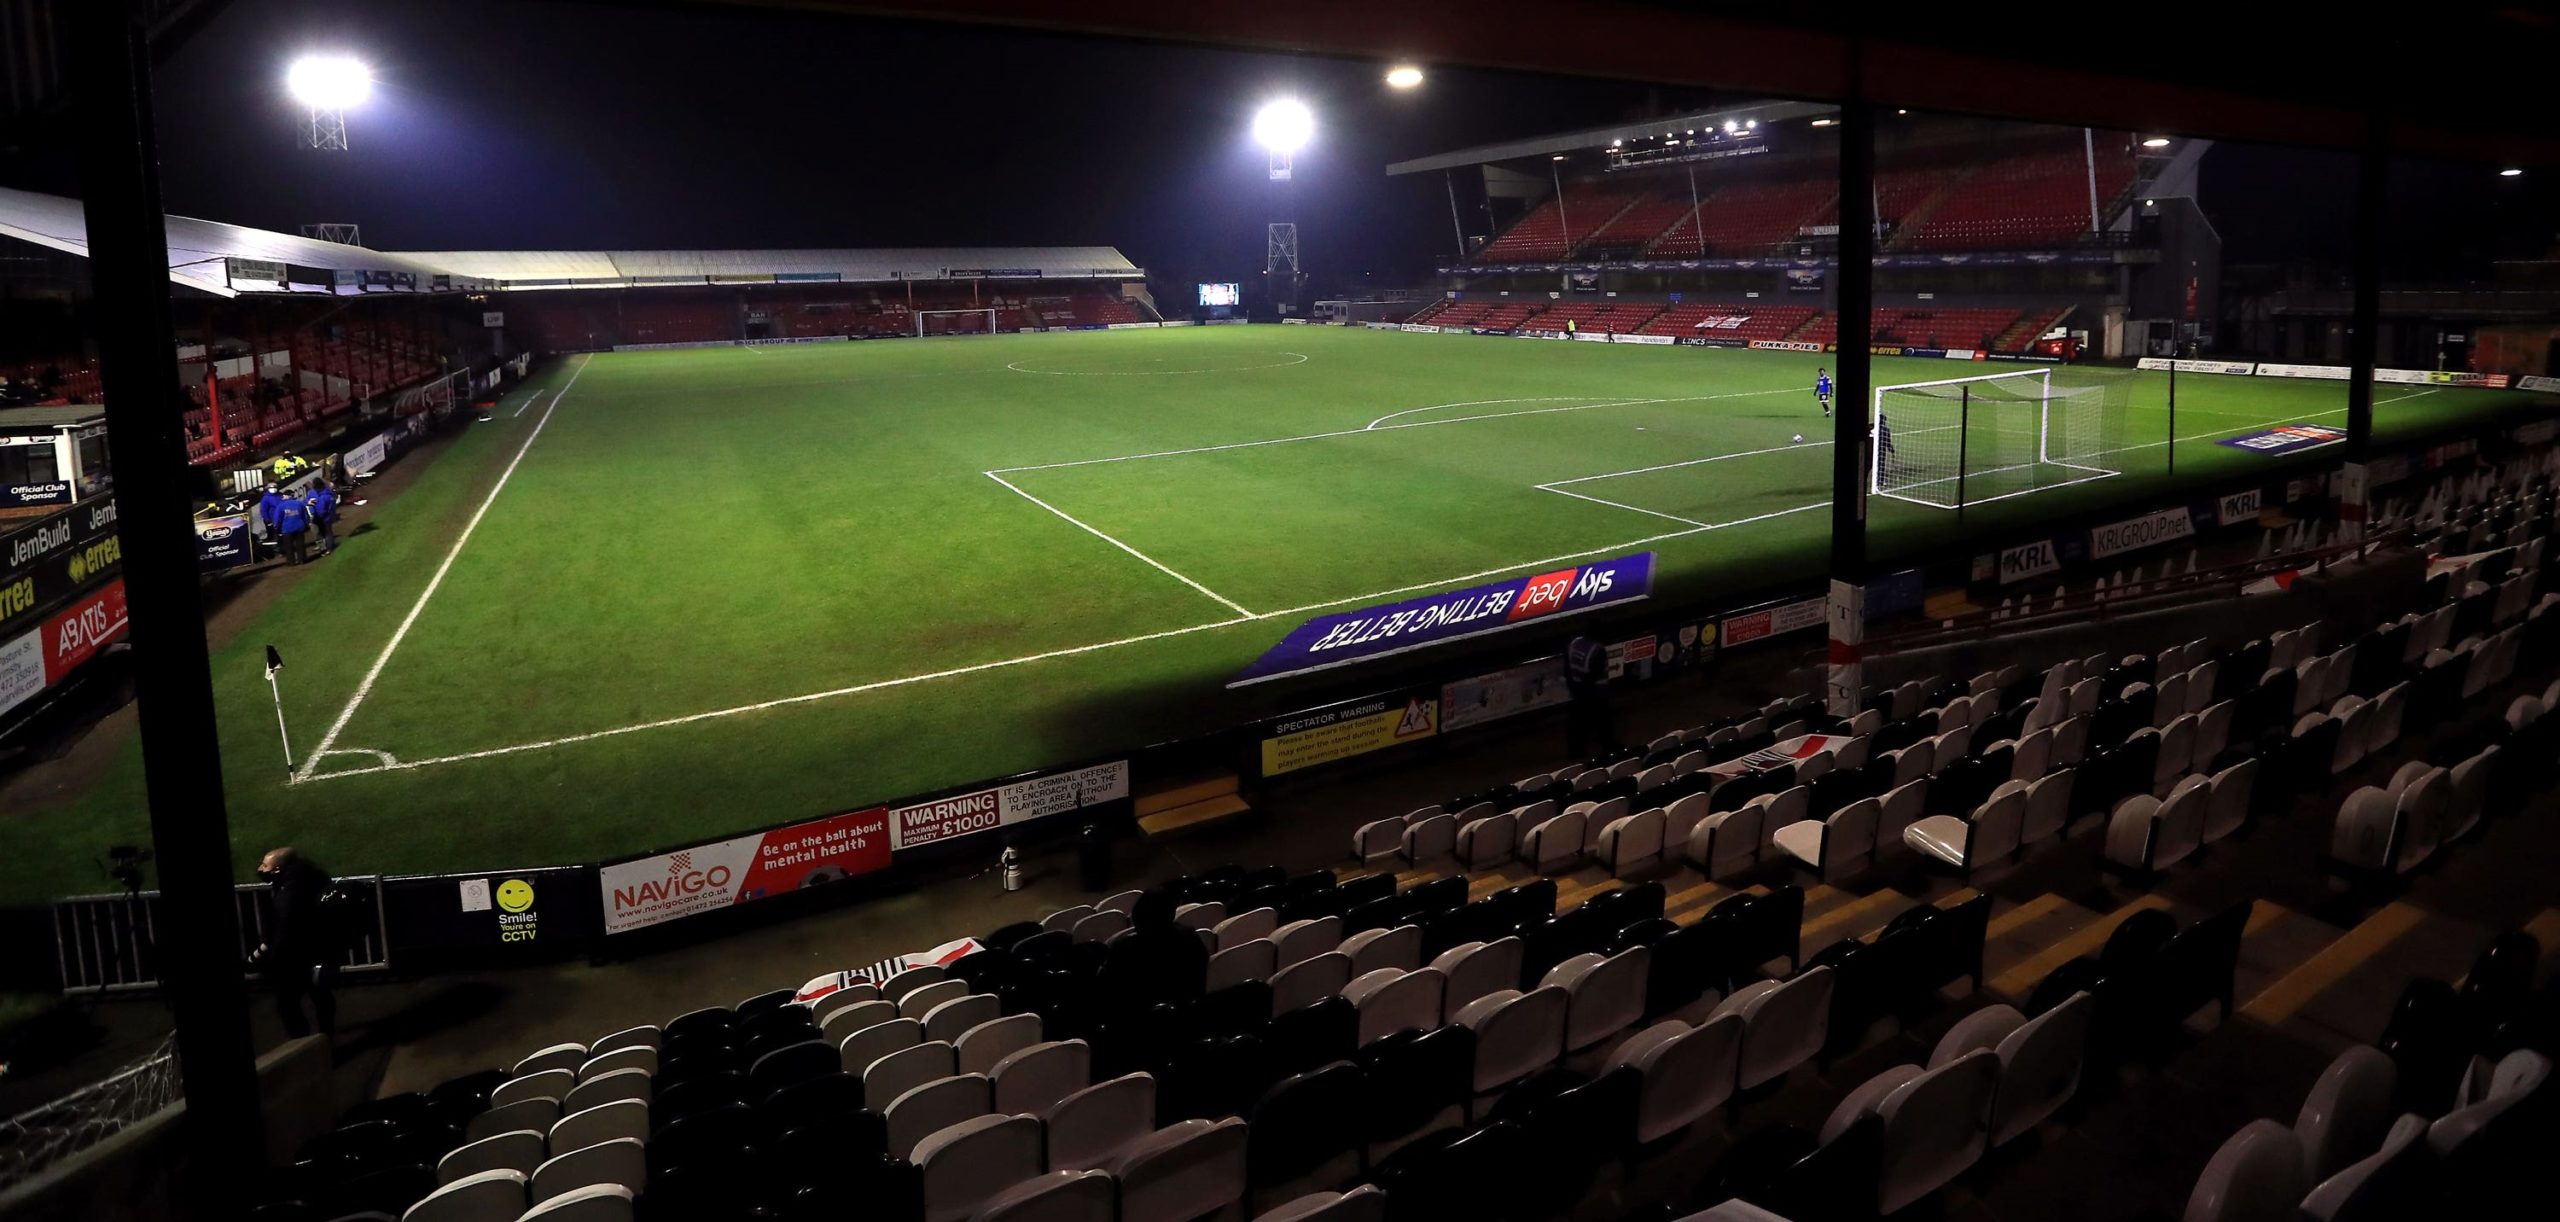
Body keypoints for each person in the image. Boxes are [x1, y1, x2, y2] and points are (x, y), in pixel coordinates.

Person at [251, 847, 338, 1039]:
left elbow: (282, 930)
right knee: (321, 997)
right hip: (318, 949)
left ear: (277, 870)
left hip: (293, 957)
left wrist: (265, 956)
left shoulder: (288, 892)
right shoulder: (312, 877)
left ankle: (303, 1043)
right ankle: (327, 1036)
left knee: (287, 1004)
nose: (260, 869)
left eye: (265, 865)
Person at [1564, 632, 1616, 760]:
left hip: (1577, 692)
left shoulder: (1573, 643)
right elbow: (1594, 675)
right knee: (1604, 723)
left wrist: (1574, 688)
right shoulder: (1598, 649)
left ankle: (1576, 754)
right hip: (1595, 695)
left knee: (1578, 725)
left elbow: (1566, 669)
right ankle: (1608, 751)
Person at [274, 484, 310, 564]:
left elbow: (278, 519)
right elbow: (305, 515)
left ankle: (291, 561)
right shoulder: (299, 504)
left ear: (287, 496)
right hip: (299, 527)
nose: (282, 497)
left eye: (284, 496)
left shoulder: (280, 506)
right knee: (300, 544)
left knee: (288, 546)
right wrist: (306, 524)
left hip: (287, 529)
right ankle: (302, 559)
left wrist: (277, 527)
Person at [305, 479, 339, 557]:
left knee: (322, 534)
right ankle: (327, 547)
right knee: (327, 533)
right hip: (329, 516)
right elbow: (306, 501)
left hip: (320, 517)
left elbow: (321, 510)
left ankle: (325, 549)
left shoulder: (323, 496)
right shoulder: (329, 493)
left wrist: (317, 517)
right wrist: (308, 502)